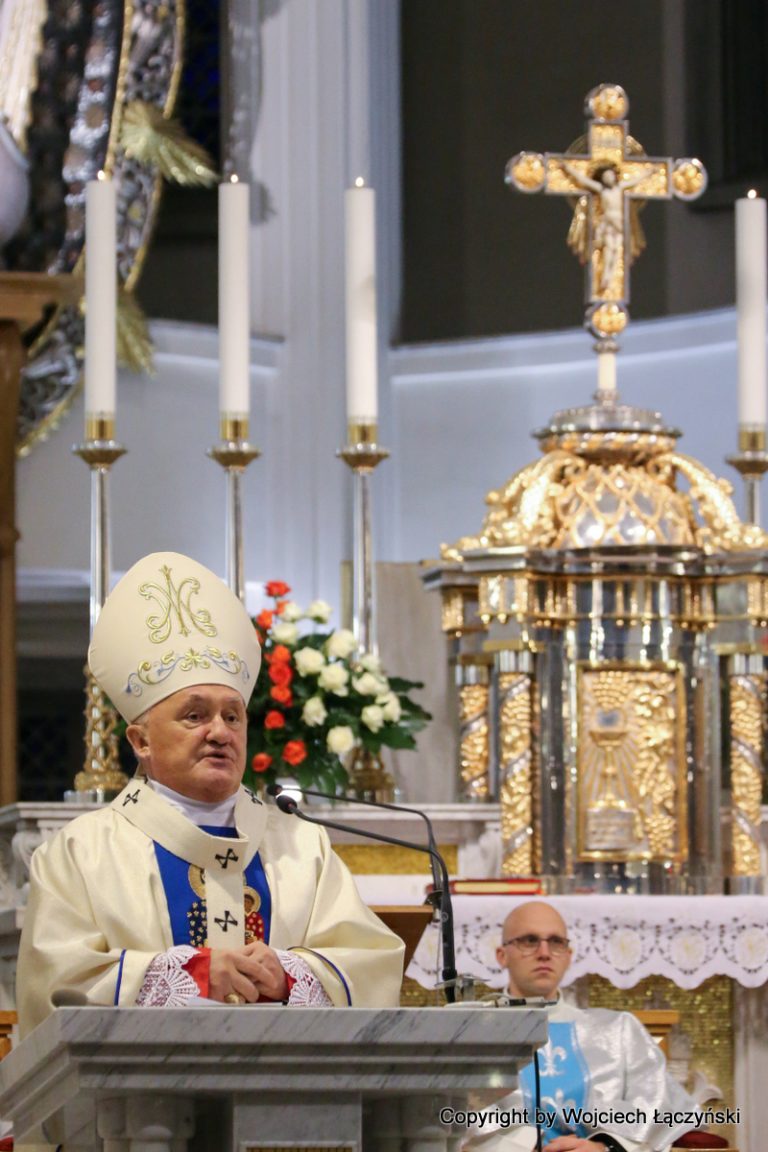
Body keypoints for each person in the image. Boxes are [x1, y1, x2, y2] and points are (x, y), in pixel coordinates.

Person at [17, 551, 404, 1037]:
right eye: (195, 715)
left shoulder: (303, 847)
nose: (220, 732)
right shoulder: (79, 852)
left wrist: (290, 975)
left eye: (232, 716)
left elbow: (371, 965)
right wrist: (189, 975)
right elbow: (54, 986)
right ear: (140, 741)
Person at [466, 901, 702, 1152]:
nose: (544, 952)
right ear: (502, 955)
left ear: (568, 956)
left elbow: (660, 1107)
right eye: (529, 941)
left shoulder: (618, 1031)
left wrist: (604, 1147)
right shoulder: (473, 1034)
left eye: (556, 942)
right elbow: (456, 1117)